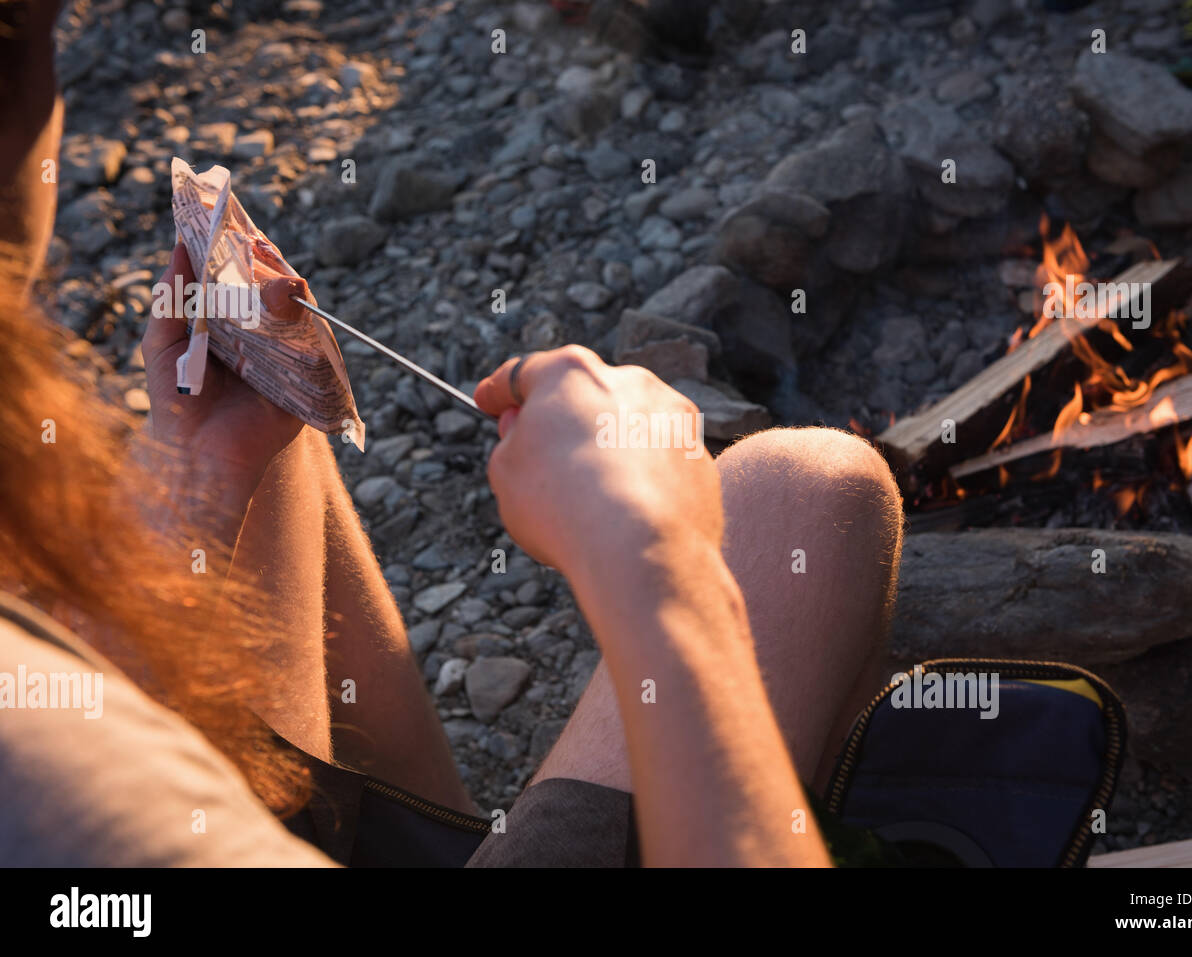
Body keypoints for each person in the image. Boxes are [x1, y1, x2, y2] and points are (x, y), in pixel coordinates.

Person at [0, 0, 904, 866]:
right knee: (812, 491)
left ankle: (459, 838)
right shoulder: (72, 800)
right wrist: (654, 562)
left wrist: (195, 468)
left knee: (267, 436)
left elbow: (83, 704)